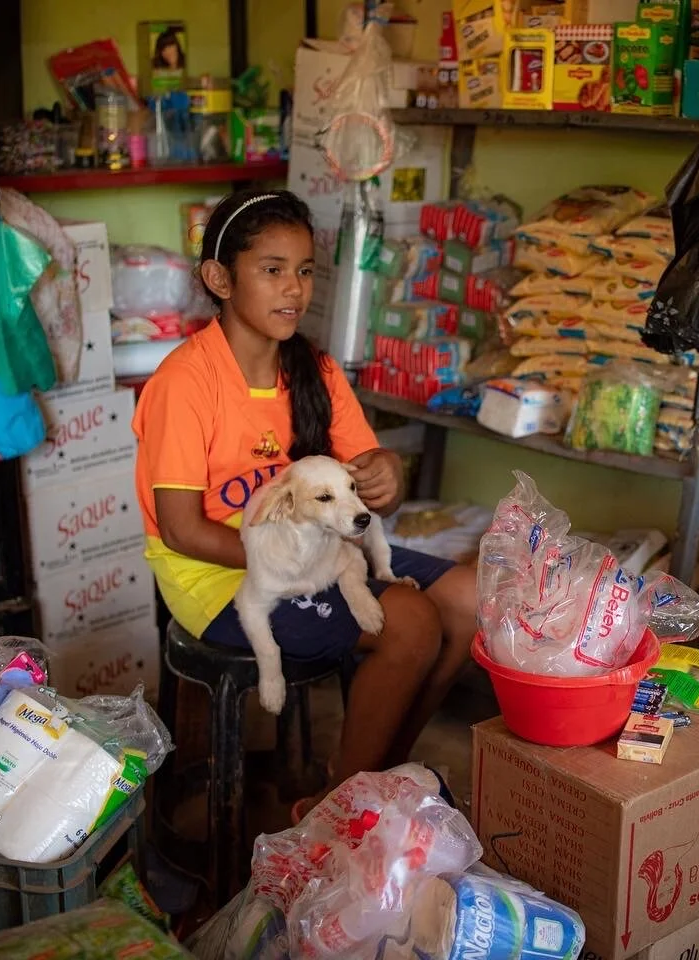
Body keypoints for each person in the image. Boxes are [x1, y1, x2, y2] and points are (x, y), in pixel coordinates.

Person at [132, 188, 476, 811]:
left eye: (305, 270)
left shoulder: (315, 372)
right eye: (272, 270)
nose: (294, 288)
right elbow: (181, 530)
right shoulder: (186, 383)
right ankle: (338, 808)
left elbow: (367, 494)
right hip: (213, 572)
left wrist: (387, 475)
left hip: (317, 547)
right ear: (220, 279)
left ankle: (366, 776)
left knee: (467, 601)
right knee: (411, 621)